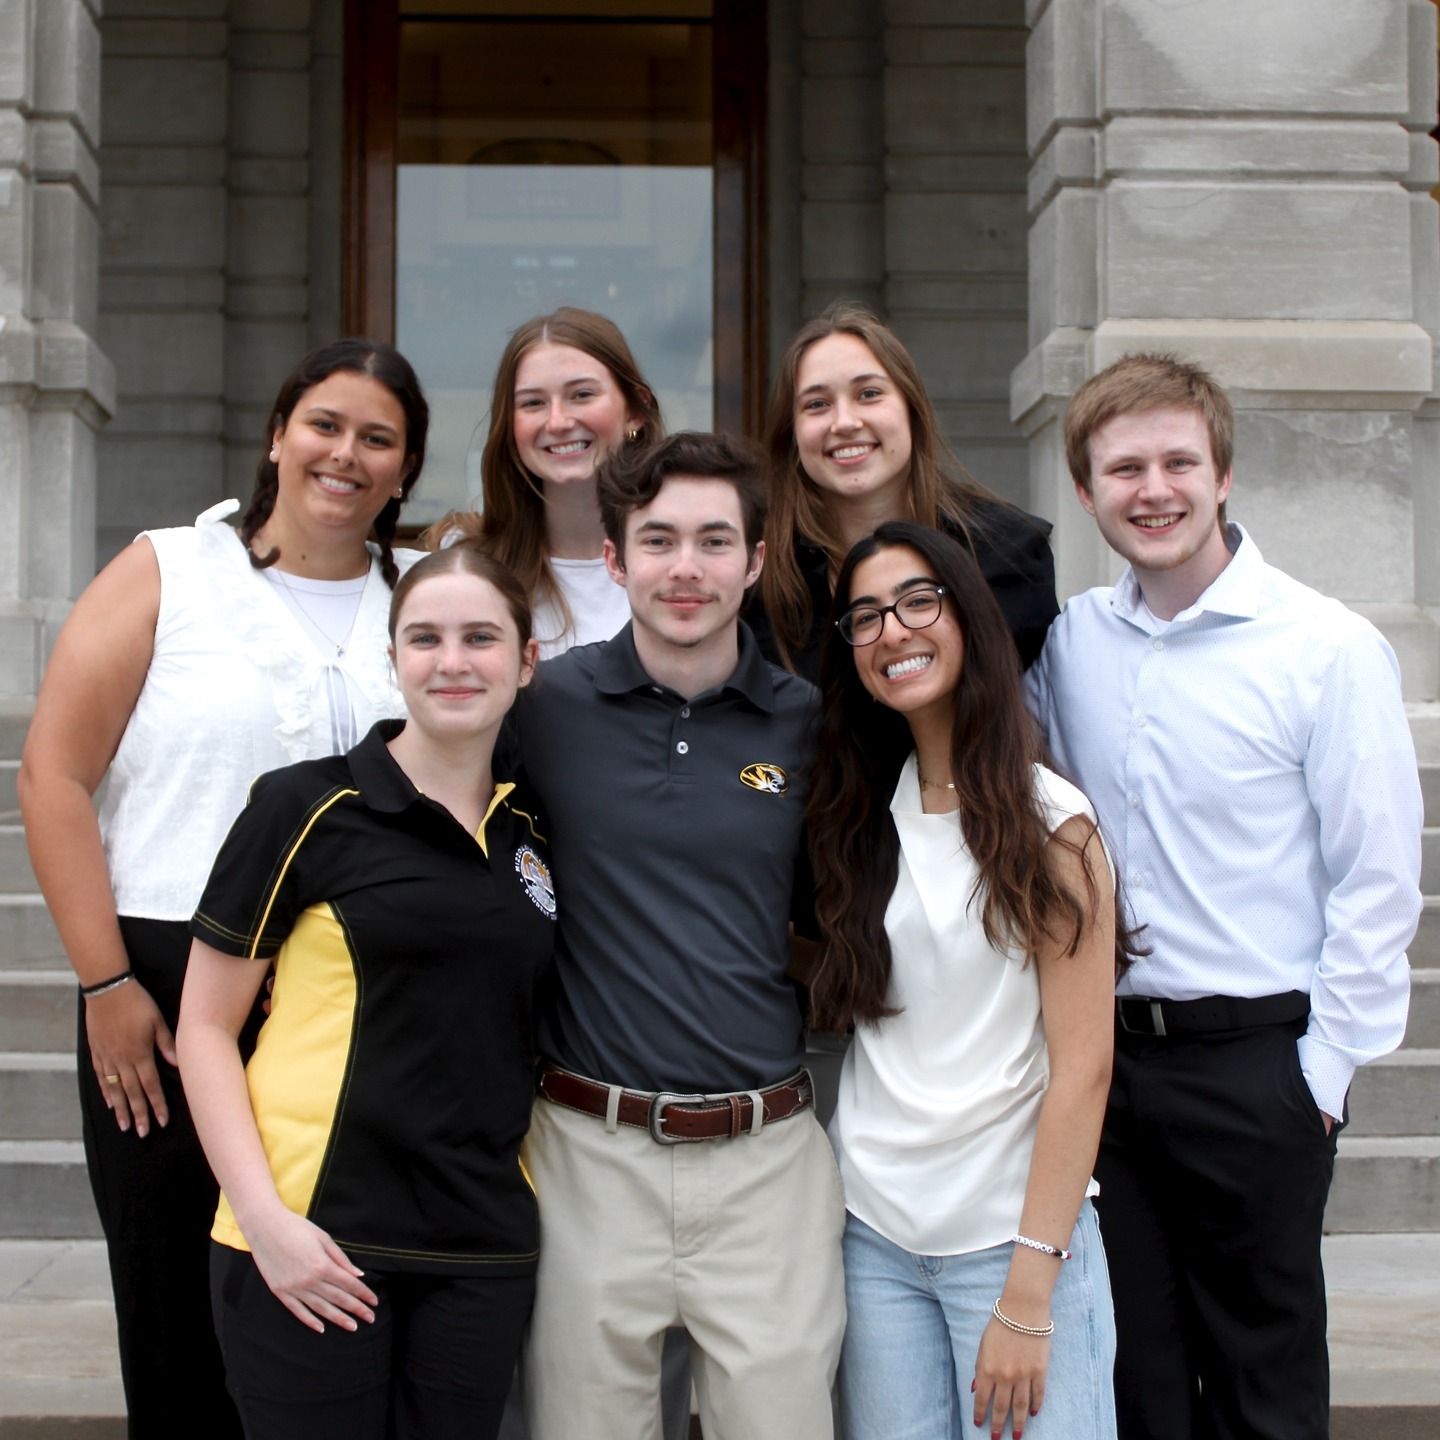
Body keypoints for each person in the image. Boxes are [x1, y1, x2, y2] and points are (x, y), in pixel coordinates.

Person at [17, 338, 429, 1439]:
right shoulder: (170, 569)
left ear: (405, 470)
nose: (346, 453)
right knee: (175, 1313)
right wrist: (105, 981)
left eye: (377, 439)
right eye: (325, 424)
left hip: (355, 1003)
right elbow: (54, 774)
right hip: (159, 984)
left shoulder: (421, 602)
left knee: (332, 1314)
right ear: (276, 435)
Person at [1025, 353, 1423, 1440]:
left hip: (1260, 1069)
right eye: (1123, 469)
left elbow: (1380, 879)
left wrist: (1321, 1080)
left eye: (1176, 463)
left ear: (1224, 473)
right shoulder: (1070, 646)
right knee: (1136, 1381)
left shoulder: (1325, 649)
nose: (1152, 489)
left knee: (1264, 1386)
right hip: (1110, 1071)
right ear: (1086, 489)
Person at [177, 547, 553, 1439]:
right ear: (394, 658)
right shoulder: (304, 807)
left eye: (480, 638)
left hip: (480, 1248)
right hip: (311, 1244)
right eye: (424, 638)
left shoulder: (535, 827)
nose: (452, 661)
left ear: (527, 660)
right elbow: (203, 1026)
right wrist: (265, 1223)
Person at [515, 431, 846, 1440]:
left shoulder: (810, 721)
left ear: (754, 560)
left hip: (768, 1158)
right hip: (586, 1151)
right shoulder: (545, 707)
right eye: (658, 542)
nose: (686, 568)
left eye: (714, 542)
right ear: (615, 561)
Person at [807, 521, 1122, 1440]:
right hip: (876, 1243)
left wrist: (1029, 1293)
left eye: (916, 601)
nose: (892, 631)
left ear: (968, 617)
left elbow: (1083, 1071)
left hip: (1012, 1248)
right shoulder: (865, 810)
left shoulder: (1052, 824)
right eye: (864, 616)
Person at [755, 300, 1059, 681]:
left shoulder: (1007, 556)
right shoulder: (760, 585)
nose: (845, 422)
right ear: (792, 437)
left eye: (869, 394)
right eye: (817, 404)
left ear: (911, 411)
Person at [426, 306, 662, 657]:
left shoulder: (685, 560)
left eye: (582, 395)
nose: (558, 422)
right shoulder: (466, 561)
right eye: (533, 402)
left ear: (636, 410)